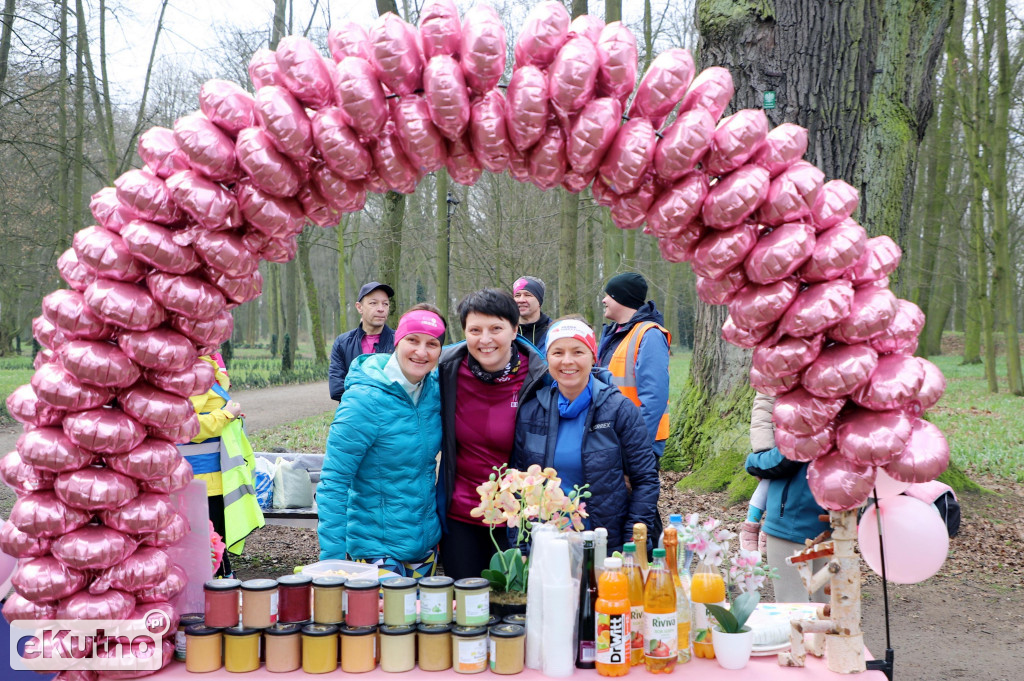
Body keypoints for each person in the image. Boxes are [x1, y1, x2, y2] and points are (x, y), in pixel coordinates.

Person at [318, 305, 447, 577]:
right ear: (397, 341)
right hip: (376, 550)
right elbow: (334, 482)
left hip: (424, 547)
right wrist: (331, 564)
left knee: (422, 619)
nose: (421, 352)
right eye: (413, 340)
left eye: (432, 344)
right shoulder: (363, 400)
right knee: (382, 620)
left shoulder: (435, 391)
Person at [512, 318, 660, 553]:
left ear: (593, 357)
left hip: (605, 545)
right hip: (548, 545)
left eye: (578, 351)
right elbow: (519, 485)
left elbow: (645, 481)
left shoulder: (619, 409)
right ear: (547, 359)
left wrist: (632, 544)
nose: (567, 361)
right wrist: (521, 547)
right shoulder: (532, 411)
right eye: (557, 352)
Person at [436, 288, 549, 580]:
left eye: (496, 328)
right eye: (475, 330)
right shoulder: (446, 369)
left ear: (514, 330)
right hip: (461, 514)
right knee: (467, 612)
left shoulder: (540, 377)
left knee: (513, 617)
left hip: (519, 521)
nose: (485, 340)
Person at [178, 353, 264, 578]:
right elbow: (186, 424)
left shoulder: (206, 367)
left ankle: (223, 584)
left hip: (214, 477)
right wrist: (225, 415)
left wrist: (231, 415)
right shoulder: (194, 371)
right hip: (201, 479)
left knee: (215, 541)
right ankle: (218, 589)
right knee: (209, 542)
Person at [744, 391, 830, 602]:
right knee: (830, 613)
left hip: (792, 521)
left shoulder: (809, 405)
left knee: (793, 614)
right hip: (834, 522)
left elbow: (785, 458)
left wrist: (753, 462)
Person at [597, 272, 671, 461]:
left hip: (636, 442)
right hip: (612, 437)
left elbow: (654, 397)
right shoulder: (614, 333)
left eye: (609, 295)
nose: (604, 300)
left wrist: (637, 444)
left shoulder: (650, 335)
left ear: (621, 299)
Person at [328, 281, 396, 401]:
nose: (381, 309)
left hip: (390, 417)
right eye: (373, 303)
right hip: (355, 416)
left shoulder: (400, 342)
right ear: (359, 307)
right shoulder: (342, 343)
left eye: (385, 304)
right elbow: (336, 389)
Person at [513, 276, 552, 353]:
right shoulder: (505, 331)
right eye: (517, 295)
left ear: (539, 301)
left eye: (527, 295)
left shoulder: (554, 331)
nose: (521, 300)